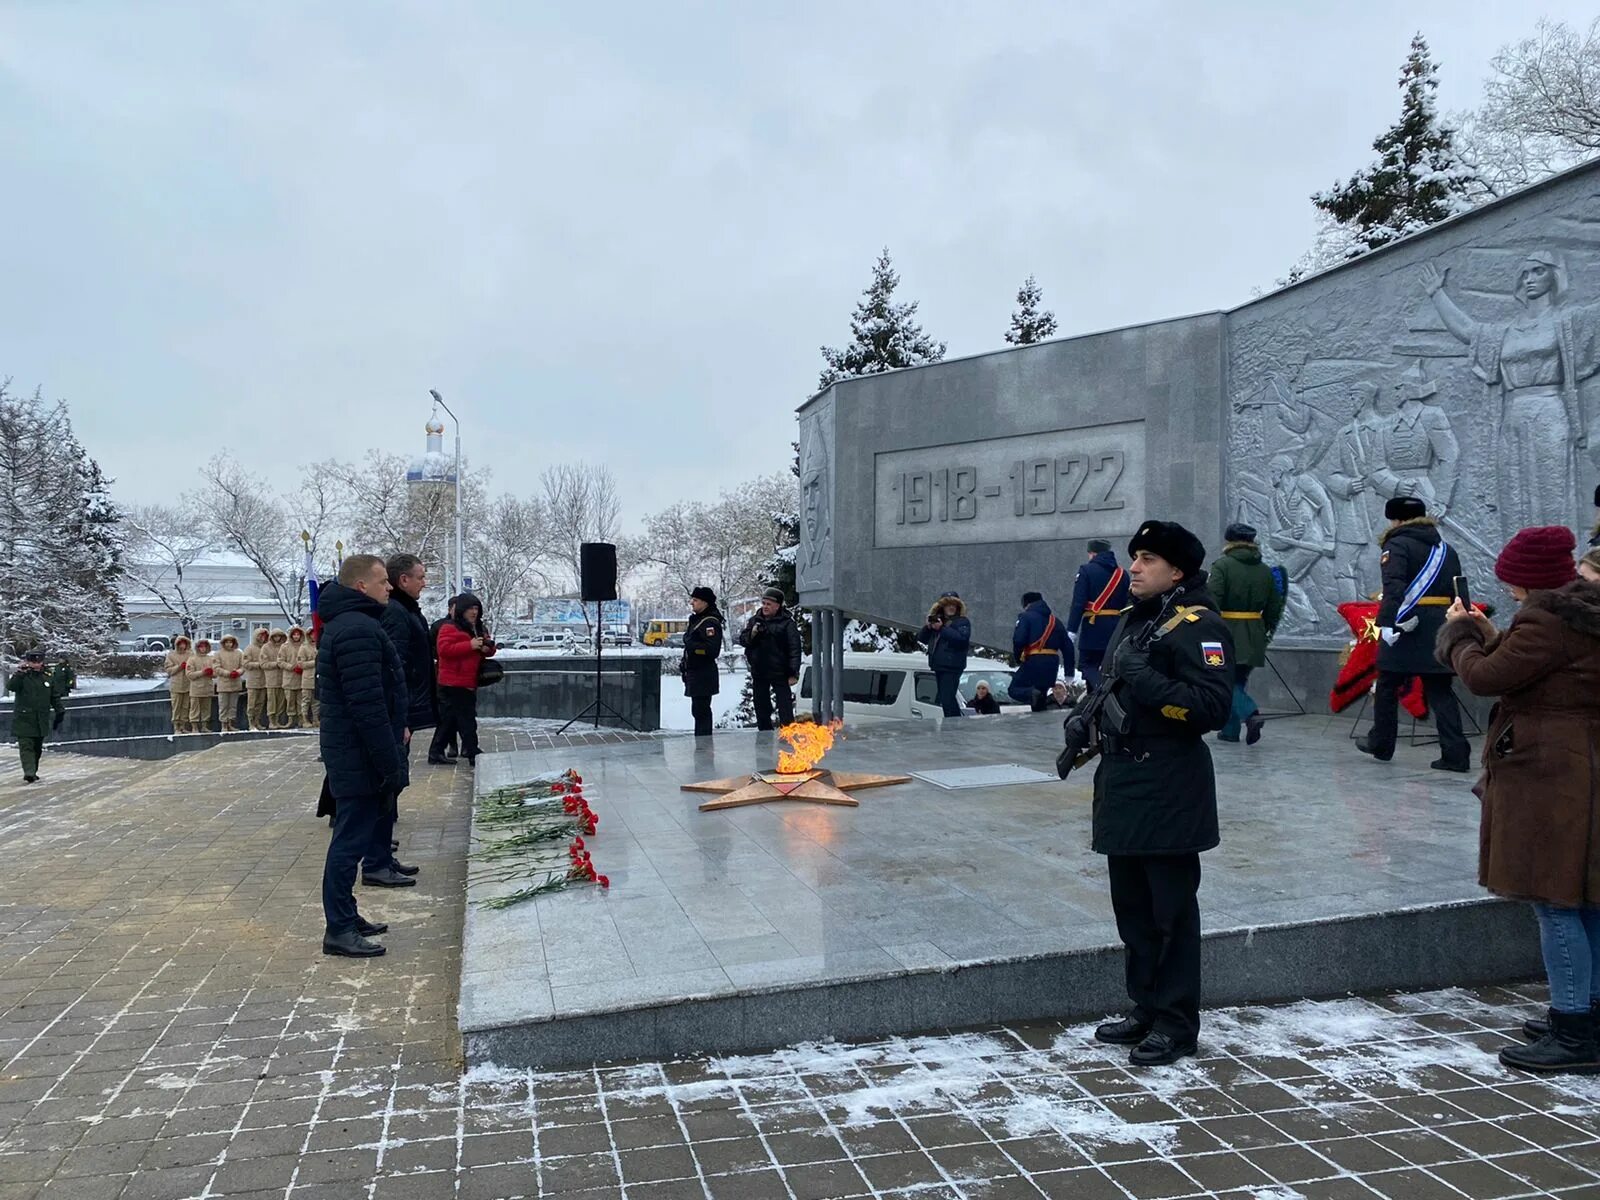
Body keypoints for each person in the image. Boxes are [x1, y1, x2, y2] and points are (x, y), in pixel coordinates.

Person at [1069, 520, 1233, 1067]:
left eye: (1147, 559)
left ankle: (1177, 1022)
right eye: (1134, 557)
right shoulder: (1135, 619)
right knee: (1133, 911)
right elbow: (1111, 685)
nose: (1133, 568)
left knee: (1172, 914)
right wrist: (1082, 719)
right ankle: (1145, 1007)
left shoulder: (1200, 626)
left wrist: (1148, 682)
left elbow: (1212, 707)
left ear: (1177, 571)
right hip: (1122, 782)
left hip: (1168, 784)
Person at [1437, 525, 1600, 1073]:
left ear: (1527, 578)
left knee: (1552, 898)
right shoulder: (1580, 613)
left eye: (1511, 579)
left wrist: (1460, 635)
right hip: (1583, 763)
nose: (1506, 588)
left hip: (1549, 771)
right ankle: (1589, 1014)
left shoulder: (1545, 618)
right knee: (1586, 897)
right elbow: (1539, 671)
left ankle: (1574, 1027)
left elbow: (1486, 677)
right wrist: (1490, 630)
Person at [317, 554, 407, 958]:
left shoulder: (355, 624)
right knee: (349, 843)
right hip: (359, 755)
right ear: (361, 587)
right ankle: (338, 929)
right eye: (382, 581)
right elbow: (367, 706)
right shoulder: (356, 630)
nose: (389, 587)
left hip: (356, 751)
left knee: (351, 839)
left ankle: (347, 916)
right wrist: (389, 763)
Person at [1357, 497, 1471, 772]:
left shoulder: (1396, 545)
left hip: (1408, 623)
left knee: (1386, 684)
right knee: (1440, 689)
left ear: (1395, 519)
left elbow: (1394, 586)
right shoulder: (1446, 549)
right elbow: (1459, 588)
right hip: (1441, 626)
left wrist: (1386, 624)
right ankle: (1456, 754)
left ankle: (1382, 744)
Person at [376, 553, 435, 881]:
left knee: (394, 782)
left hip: (405, 707)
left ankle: (381, 851)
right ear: (404, 581)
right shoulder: (397, 613)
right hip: (400, 711)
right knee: (389, 782)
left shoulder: (404, 609)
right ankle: (377, 859)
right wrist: (402, 718)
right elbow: (395, 666)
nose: (425, 583)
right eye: (421, 577)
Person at [1209, 523, 1285, 745]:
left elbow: (1213, 599)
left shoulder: (1222, 566)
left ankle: (1251, 713)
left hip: (1226, 632)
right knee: (1237, 681)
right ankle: (1230, 731)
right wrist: (1265, 630)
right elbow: (1274, 606)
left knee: (1223, 682)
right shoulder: (1265, 570)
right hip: (1254, 632)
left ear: (1229, 542)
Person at [428, 593, 495, 766]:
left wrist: (487, 648)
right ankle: (472, 751)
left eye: (476, 608)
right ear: (462, 610)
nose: (474, 612)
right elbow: (444, 650)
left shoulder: (476, 627)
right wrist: (470, 645)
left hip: (467, 680)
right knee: (465, 719)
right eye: (470, 609)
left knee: (450, 719)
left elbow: (486, 647)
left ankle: (436, 752)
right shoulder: (450, 627)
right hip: (452, 682)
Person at [739, 587, 803, 730]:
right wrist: (753, 633)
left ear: (778, 605)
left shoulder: (787, 623)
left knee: (785, 709)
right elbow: (743, 640)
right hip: (759, 672)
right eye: (764, 603)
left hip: (780, 673)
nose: (765, 607)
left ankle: (788, 738)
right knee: (761, 708)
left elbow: (795, 650)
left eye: (769, 604)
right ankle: (764, 739)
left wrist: (793, 673)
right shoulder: (755, 620)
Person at [1067, 540, 1129, 688]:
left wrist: (1072, 630)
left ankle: (1099, 691)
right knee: (1109, 665)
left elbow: (1078, 602)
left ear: (1092, 553)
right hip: (1116, 628)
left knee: (1088, 665)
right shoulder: (1122, 574)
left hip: (1093, 627)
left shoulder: (1086, 570)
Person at [9, 650, 65, 782]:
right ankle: (29, 772)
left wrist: (60, 711)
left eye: (38, 661)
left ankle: (32, 770)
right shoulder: (23, 676)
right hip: (24, 719)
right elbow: (11, 686)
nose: (36, 665)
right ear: (27, 661)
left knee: (37, 748)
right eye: (33, 662)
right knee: (26, 746)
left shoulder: (47, 676)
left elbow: (54, 696)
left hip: (41, 719)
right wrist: (20, 673)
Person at [1009, 591, 1069, 710]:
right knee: (1040, 695)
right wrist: (1070, 671)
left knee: (1014, 689)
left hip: (1034, 660)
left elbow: (1019, 640)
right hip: (1052, 663)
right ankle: (1041, 725)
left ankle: (1031, 693)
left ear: (1027, 605)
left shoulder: (1026, 617)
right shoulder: (1055, 621)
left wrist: (1017, 658)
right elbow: (1068, 646)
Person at [917, 593, 971, 718]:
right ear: (943, 607)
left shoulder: (962, 622)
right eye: (948, 605)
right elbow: (922, 639)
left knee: (947, 697)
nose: (951, 608)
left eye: (954, 605)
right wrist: (928, 626)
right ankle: (953, 722)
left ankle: (954, 723)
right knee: (945, 698)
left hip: (952, 665)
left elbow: (962, 639)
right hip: (939, 665)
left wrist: (942, 628)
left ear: (958, 607)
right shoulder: (939, 621)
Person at [682, 586, 724, 737]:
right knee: (698, 711)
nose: (692, 603)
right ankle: (701, 742)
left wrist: (691, 645)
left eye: (695, 600)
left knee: (702, 711)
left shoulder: (709, 623)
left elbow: (712, 650)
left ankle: (704, 744)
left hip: (703, 674)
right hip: (696, 673)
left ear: (705, 603)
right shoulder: (698, 620)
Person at [429, 596, 460, 760]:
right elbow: (435, 649)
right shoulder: (440, 626)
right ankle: (443, 747)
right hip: (444, 675)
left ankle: (464, 746)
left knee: (459, 712)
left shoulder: (469, 626)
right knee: (447, 713)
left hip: (463, 677)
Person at [184, 638, 217, 734]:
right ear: (197, 648)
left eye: (205, 647)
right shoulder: (192, 659)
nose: (203, 649)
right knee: (194, 708)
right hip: (196, 689)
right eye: (201, 647)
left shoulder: (211, 659)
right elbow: (189, 674)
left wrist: (211, 673)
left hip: (207, 688)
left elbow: (216, 673)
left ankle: (204, 726)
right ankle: (194, 727)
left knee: (206, 709)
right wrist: (202, 672)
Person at [214, 634, 245, 733]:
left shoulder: (239, 653)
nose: (229, 644)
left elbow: (243, 666)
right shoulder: (218, 654)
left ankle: (231, 723)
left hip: (235, 683)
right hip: (223, 684)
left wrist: (238, 672)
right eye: (226, 642)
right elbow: (216, 667)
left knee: (233, 705)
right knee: (223, 705)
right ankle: (223, 724)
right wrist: (228, 673)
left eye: (230, 642)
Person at [242, 627, 271, 730]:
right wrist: (258, 664)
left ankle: (257, 721)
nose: (262, 638)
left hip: (264, 680)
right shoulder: (249, 648)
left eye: (264, 636)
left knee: (260, 703)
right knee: (251, 704)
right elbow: (245, 664)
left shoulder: (267, 648)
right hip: (253, 680)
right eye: (260, 636)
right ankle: (251, 723)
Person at [163, 634, 192, 734]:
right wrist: (179, 667)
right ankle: (176, 726)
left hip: (188, 685)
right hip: (176, 685)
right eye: (181, 644)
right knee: (176, 707)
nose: (183, 646)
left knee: (185, 707)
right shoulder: (171, 655)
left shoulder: (190, 655)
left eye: (184, 644)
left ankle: (183, 726)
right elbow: (169, 670)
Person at [264, 629, 290, 730]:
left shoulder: (285, 647)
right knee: (272, 702)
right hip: (271, 680)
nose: (277, 638)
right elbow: (263, 663)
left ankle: (278, 720)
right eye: (275, 636)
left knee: (280, 702)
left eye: (279, 636)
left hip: (283, 679)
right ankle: (271, 721)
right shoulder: (266, 648)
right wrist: (276, 664)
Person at [284, 626, 309, 728]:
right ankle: (290, 719)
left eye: (298, 634)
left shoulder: (304, 646)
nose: (296, 636)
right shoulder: (285, 647)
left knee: (300, 701)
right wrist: (290, 667)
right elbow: (280, 661)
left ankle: (301, 719)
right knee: (290, 701)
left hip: (301, 678)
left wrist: (302, 667)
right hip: (289, 678)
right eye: (294, 634)